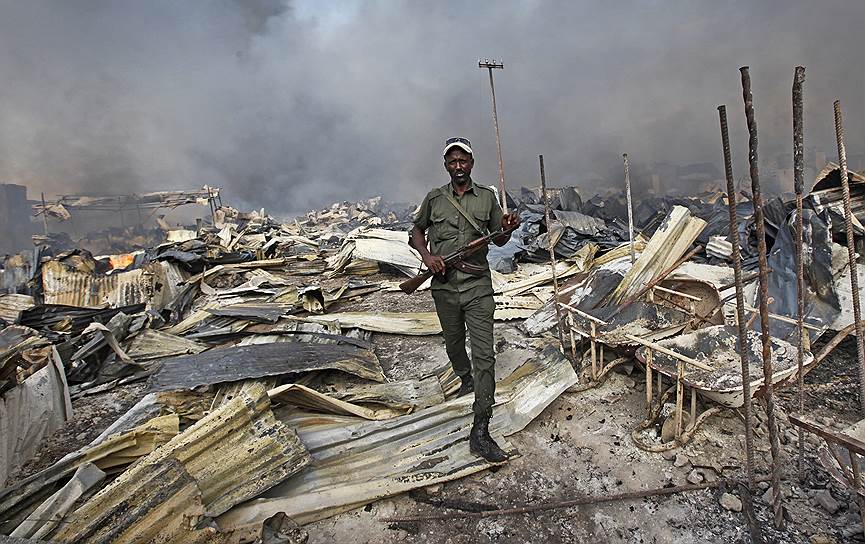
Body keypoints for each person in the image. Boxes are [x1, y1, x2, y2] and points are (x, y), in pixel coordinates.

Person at [409, 137, 520, 463]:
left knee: (484, 354)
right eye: (452, 161)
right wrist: (428, 257)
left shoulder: (487, 198)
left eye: (464, 161)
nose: (458, 166)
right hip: (443, 287)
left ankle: (481, 428)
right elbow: (415, 231)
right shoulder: (435, 199)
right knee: (455, 345)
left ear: (471, 163)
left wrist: (508, 228)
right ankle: (465, 379)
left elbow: (499, 240)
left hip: (477, 287)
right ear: (446, 165)